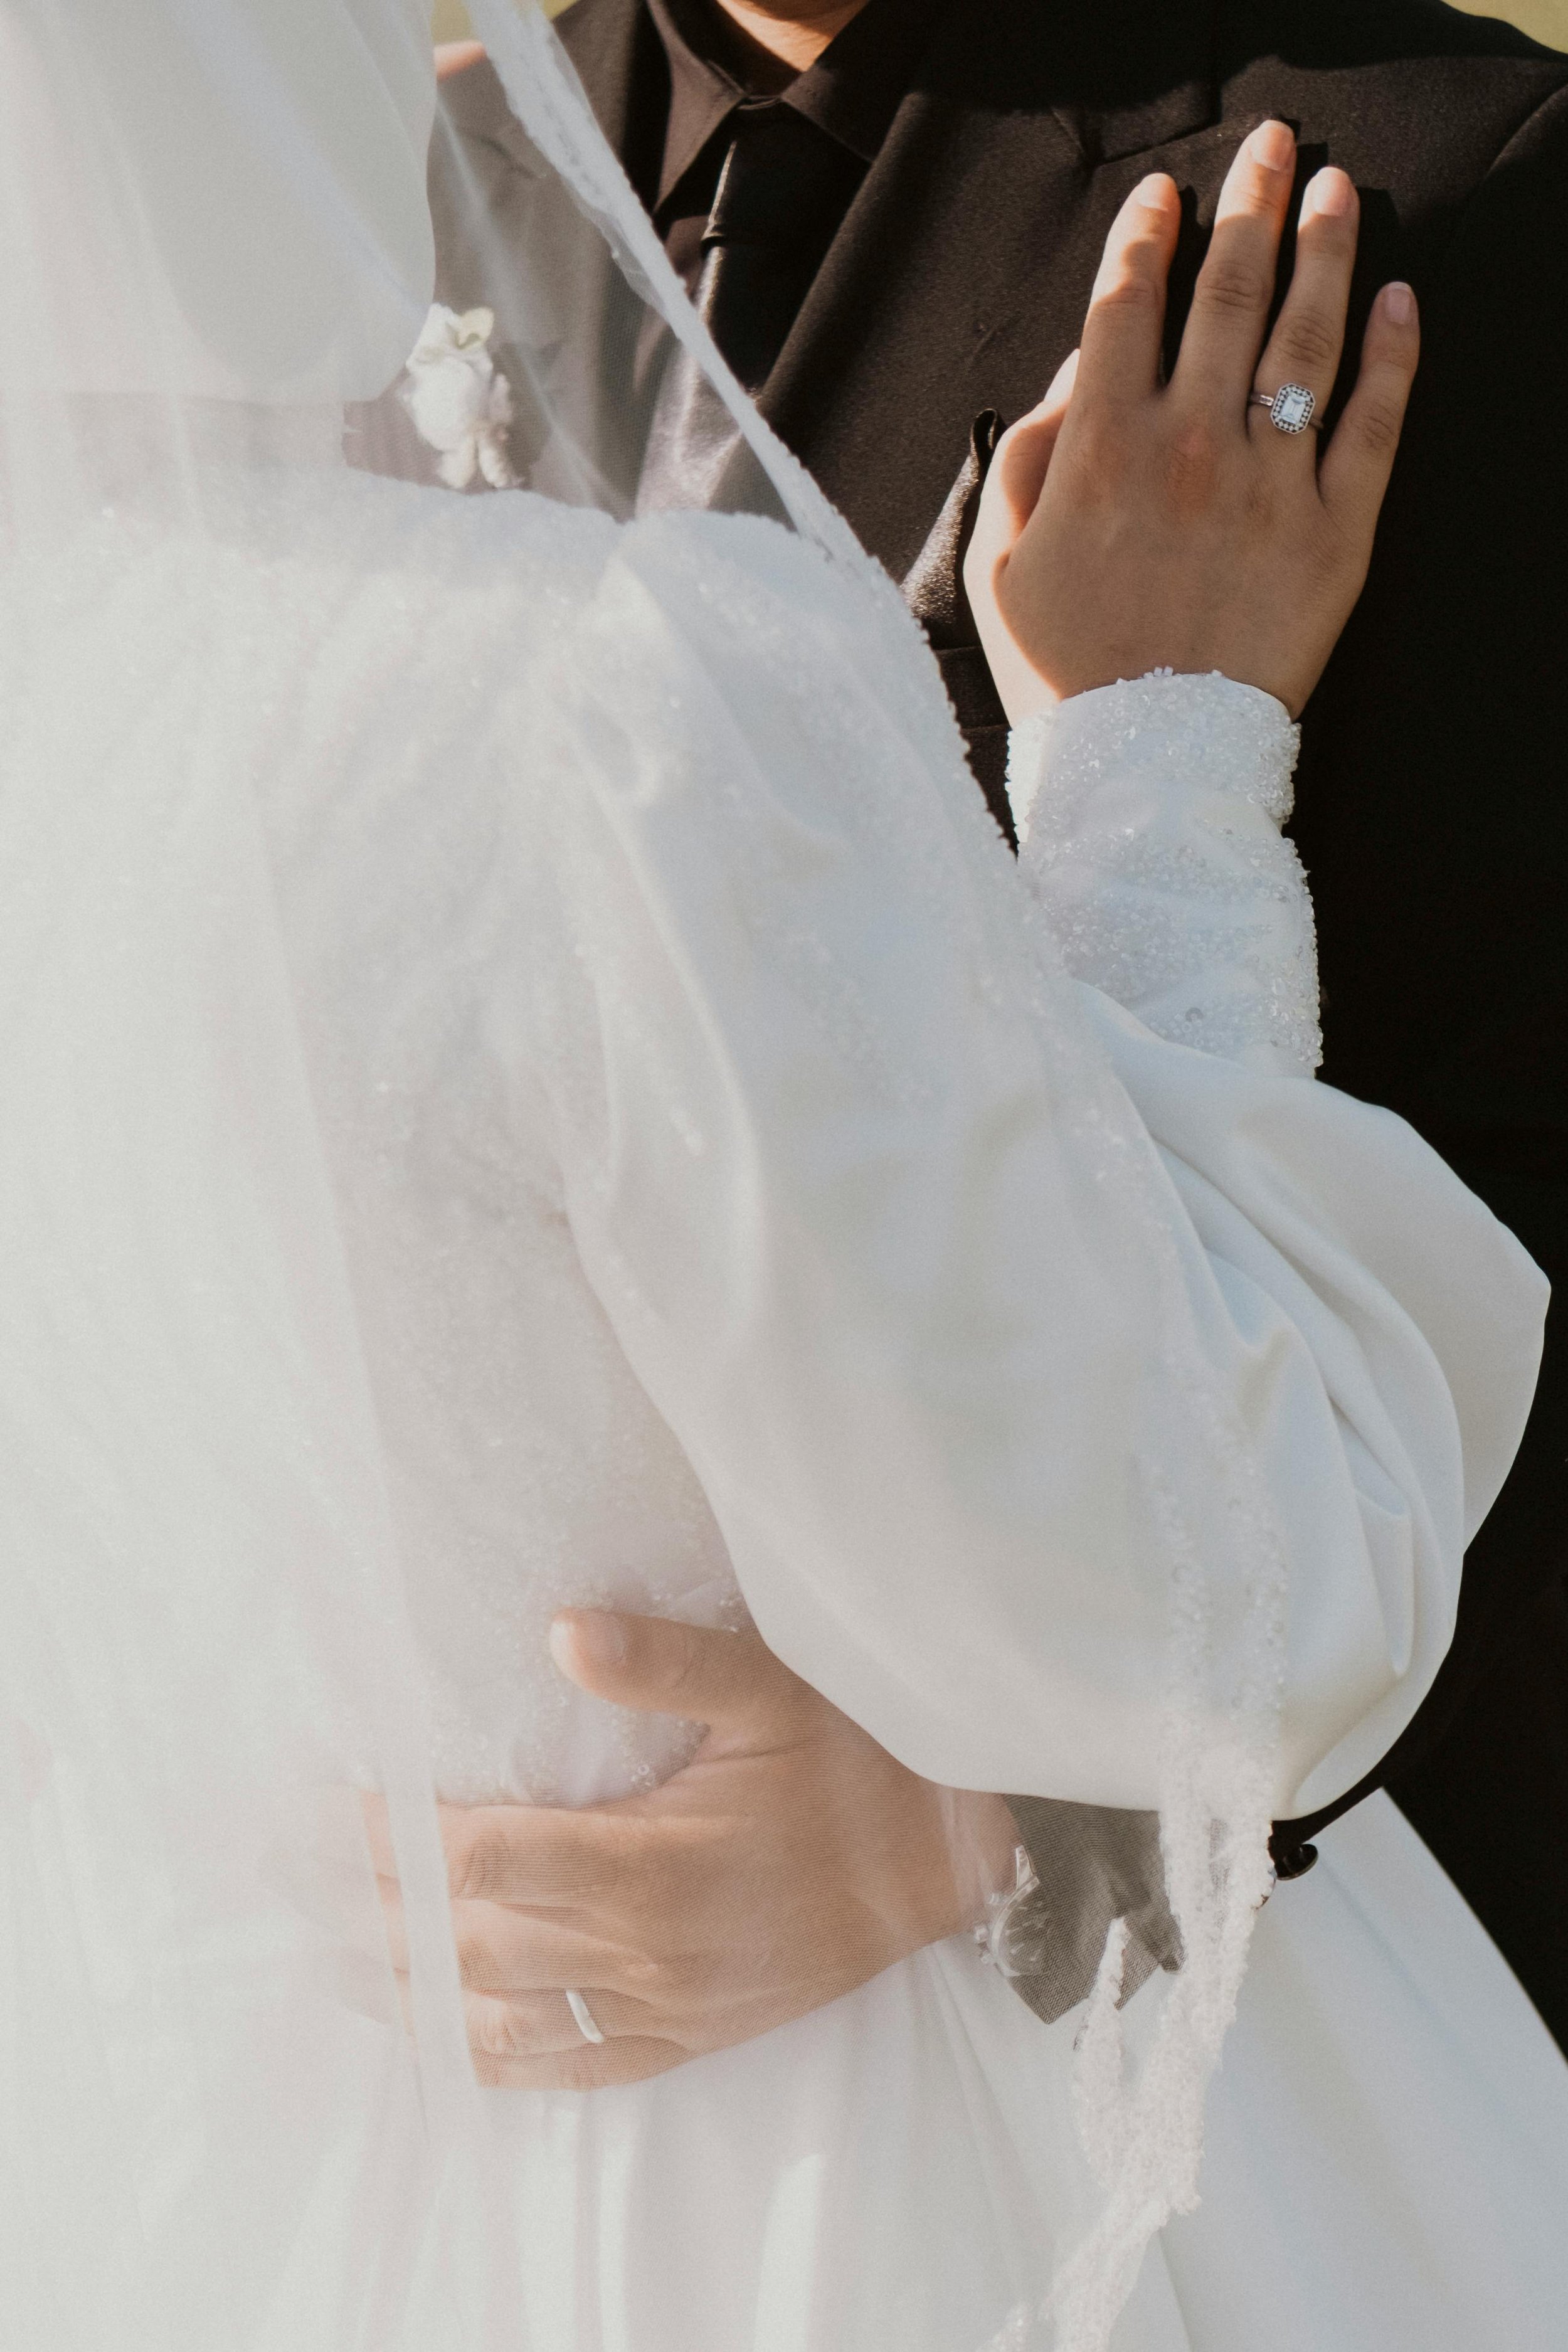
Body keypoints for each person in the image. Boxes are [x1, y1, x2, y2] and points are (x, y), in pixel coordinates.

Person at [2, 6, 1565, 2351]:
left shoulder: (1442, 181)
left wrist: (1027, 1832)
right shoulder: (377, 200)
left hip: (1178, 2113)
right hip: (445, 2143)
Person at [410, 0, 1568, 2053]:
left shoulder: (1441, 187)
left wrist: (1017, 1821)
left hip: (1208, 2038)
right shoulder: (424, 162)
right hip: (473, 1999)